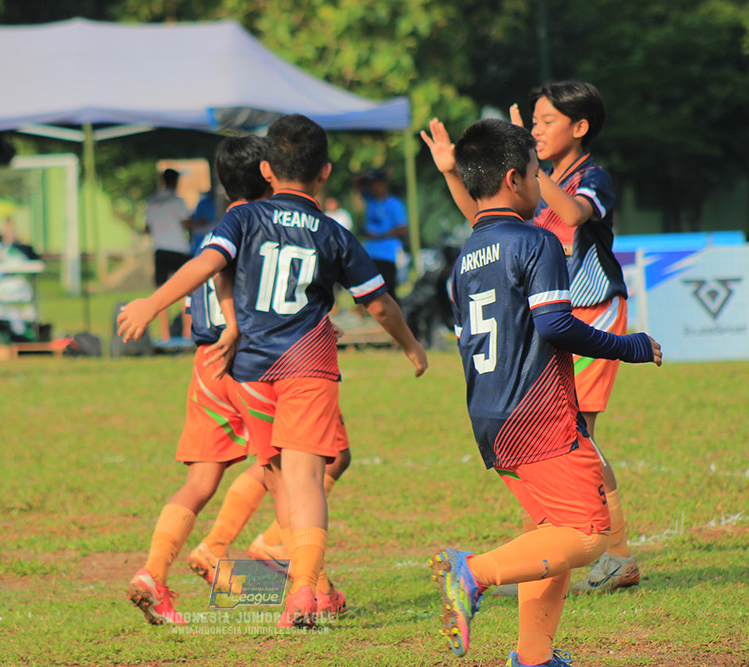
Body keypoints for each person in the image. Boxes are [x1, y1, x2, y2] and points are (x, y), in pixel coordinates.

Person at [119, 114, 428, 629]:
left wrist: (152, 304)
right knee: (306, 478)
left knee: (272, 477)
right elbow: (378, 305)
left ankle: (207, 565)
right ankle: (305, 591)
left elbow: (207, 266)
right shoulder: (334, 232)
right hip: (304, 362)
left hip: (243, 368)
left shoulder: (240, 221)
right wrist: (412, 346)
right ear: (325, 171)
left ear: (269, 168)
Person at [426, 118, 661, 667]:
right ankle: (473, 572)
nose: (542, 185)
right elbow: (555, 324)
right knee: (587, 536)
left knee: (549, 531)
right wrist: (627, 345)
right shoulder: (536, 241)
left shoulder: (463, 260)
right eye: (536, 174)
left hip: (490, 414)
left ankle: (534, 655)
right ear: (514, 178)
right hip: (537, 416)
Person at [125, 136, 270, 626]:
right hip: (248, 359)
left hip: (206, 362)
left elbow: (198, 291)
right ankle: (302, 583)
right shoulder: (261, 228)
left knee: (200, 480)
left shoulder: (212, 232)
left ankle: (152, 572)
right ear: (270, 175)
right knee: (297, 462)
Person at [144, 168, 192, 342]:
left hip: (160, 249)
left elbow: (147, 227)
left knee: (161, 292)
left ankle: (165, 335)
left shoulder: (151, 201)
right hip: (179, 248)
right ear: (175, 181)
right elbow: (186, 222)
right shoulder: (177, 201)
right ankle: (187, 332)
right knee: (187, 291)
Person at [354, 169, 408, 299]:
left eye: (375, 184)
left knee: (388, 290)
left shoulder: (394, 204)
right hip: (370, 253)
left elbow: (402, 229)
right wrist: (370, 173)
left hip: (387, 254)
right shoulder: (370, 201)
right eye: (370, 185)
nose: (372, 188)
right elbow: (355, 182)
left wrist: (379, 236)